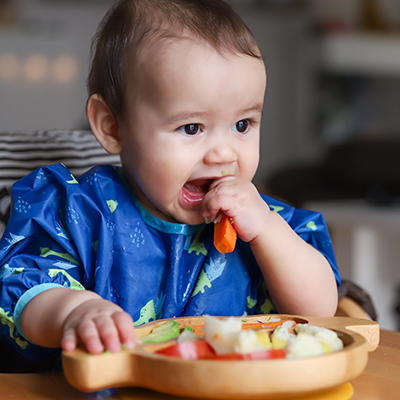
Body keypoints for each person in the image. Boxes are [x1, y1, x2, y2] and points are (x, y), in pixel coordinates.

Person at [0, 0, 340, 368]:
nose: (225, 154)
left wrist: (267, 231)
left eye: (243, 125)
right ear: (112, 126)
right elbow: (23, 293)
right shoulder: (76, 212)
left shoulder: (265, 223)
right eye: (191, 127)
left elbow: (321, 311)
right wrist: (76, 312)